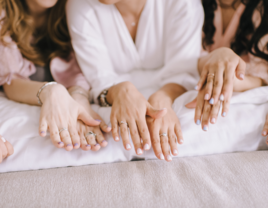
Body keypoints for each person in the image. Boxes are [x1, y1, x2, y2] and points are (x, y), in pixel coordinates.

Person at [66, 0, 204, 161]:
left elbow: (183, 71)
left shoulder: (183, 4)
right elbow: (100, 79)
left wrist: (162, 100)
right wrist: (121, 91)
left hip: (171, 91)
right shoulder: (80, 6)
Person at [0, 0, 111, 155]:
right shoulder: (3, 13)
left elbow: (79, 71)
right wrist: (51, 91)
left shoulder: (75, 8)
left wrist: (79, 99)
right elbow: (10, 82)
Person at [186, 0, 268, 137]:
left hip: (244, 84)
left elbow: (263, 76)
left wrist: (225, 80)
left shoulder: (261, 9)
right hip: (192, 80)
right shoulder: (190, 5)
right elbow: (186, 57)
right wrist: (216, 63)